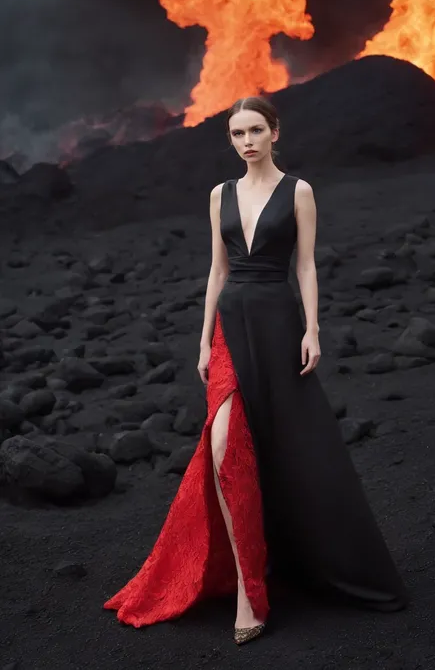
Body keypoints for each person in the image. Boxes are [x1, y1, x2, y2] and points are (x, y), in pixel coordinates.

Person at [104, 95, 410, 645]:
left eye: (254, 131)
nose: (245, 142)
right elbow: (216, 270)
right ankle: (249, 586)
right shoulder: (219, 194)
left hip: (276, 321)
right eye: (236, 134)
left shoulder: (299, 191)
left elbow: (307, 265)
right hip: (229, 326)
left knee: (293, 445)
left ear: (274, 132)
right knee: (224, 444)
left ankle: (303, 559)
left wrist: (312, 330)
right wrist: (202, 341)